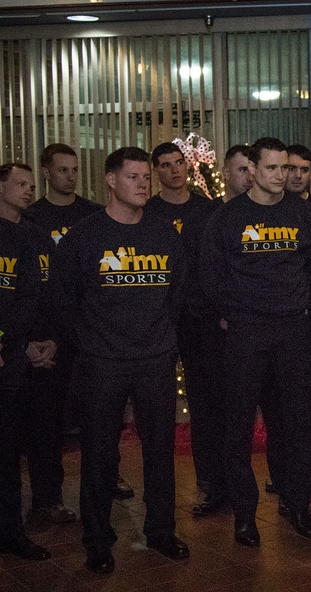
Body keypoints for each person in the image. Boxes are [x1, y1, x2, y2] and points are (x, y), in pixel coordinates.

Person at [48, 147, 189, 574]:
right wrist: (91, 343)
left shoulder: (166, 235)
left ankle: (162, 530)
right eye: (133, 177)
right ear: (111, 181)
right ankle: (97, 539)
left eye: (146, 177)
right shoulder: (84, 237)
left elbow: (179, 295)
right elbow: (62, 301)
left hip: (155, 359)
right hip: (102, 361)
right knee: (98, 452)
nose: (144, 183)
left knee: (160, 450)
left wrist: (165, 341)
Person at [201, 137, 311, 547]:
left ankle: (297, 504)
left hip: (294, 330)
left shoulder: (304, 215)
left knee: (295, 424)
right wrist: (236, 312)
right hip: (246, 333)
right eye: (272, 168)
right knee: (238, 427)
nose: (280, 176)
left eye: (285, 169)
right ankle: (244, 516)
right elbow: (211, 273)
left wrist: (295, 303)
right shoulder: (227, 218)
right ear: (252, 169)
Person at [24, 144, 136, 503]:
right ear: (46, 173)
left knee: (102, 415)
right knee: (47, 420)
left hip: (93, 335)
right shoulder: (30, 219)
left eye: (74, 170)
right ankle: (49, 495)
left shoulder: (93, 215)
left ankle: (108, 475)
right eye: (62, 170)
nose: (70, 176)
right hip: (47, 333)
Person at [145, 142, 225, 518]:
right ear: (155, 171)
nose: (174, 170)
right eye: (166, 165)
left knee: (206, 405)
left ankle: (212, 485)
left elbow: (216, 267)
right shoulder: (146, 213)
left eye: (179, 163)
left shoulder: (208, 210)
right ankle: (157, 497)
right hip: (157, 321)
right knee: (155, 408)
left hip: (200, 322)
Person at [261, 144, 311, 502]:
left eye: (304, 169)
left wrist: (309, 302)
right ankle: (282, 471)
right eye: (289, 169)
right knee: (277, 397)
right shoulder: (268, 212)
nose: (295, 175)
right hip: (276, 320)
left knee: (310, 393)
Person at [0, 162, 57, 561]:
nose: (28, 190)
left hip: (18, 359)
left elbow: (38, 299)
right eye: (20, 184)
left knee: (9, 451)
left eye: (31, 185)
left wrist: (41, 342)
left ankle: (11, 530)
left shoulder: (34, 237)